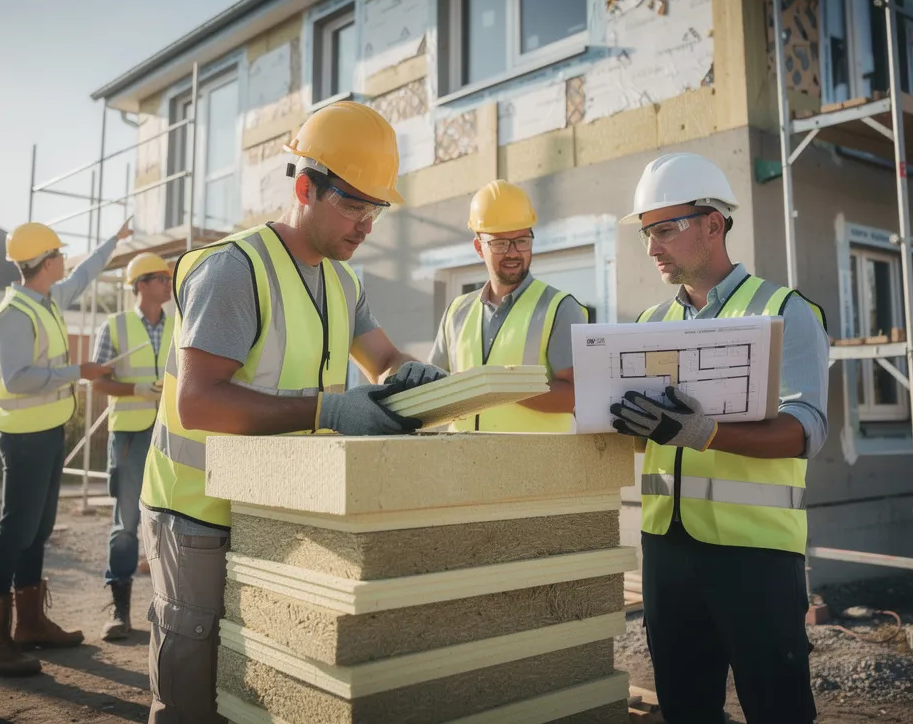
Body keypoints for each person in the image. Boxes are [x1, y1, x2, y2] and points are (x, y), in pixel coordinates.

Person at [139, 100, 445, 723]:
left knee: (261, 685)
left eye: (375, 209)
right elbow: (197, 401)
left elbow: (381, 357)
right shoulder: (234, 270)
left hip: (279, 510)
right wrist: (330, 412)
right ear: (305, 188)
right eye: (353, 205)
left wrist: (407, 377)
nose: (366, 225)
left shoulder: (343, 280)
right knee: (192, 694)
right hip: (200, 513)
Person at [608, 153, 829, 723]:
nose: (652, 247)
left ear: (713, 223)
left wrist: (704, 432)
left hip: (755, 554)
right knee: (684, 709)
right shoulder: (648, 325)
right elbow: (647, 440)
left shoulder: (784, 311)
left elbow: (806, 429)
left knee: (776, 708)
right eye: (645, 234)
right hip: (665, 550)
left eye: (665, 230)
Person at [0, 220, 130, 677]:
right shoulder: (14, 316)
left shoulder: (46, 301)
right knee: (14, 532)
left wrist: (114, 241)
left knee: (38, 529)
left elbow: (83, 275)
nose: (65, 261)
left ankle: (29, 625)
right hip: (24, 437)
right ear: (45, 263)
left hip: (46, 432)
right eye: (59, 255)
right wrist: (78, 372)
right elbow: (19, 378)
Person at [428, 180, 587, 431]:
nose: (513, 252)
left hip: (533, 466)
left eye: (522, 240)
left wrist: (499, 387)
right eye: (500, 244)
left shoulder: (559, 308)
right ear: (479, 248)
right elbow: (433, 389)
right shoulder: (456, 311)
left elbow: (577, 394)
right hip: (464, 464)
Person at [90, 252, 175, 641]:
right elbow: (99, 381)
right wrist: (136, 389)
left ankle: (168, 605)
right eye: (160, 277)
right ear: (141, 283)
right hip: (129, 434)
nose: (167, 283)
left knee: (171, 522)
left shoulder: (179, 323)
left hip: (172, 430)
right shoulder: (116, 326)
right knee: (126, 525)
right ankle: (119, 610)